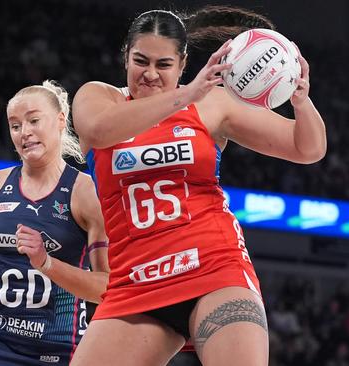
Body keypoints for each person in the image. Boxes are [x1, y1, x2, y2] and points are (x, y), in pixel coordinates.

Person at [71, 6, 326, 366]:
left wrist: (301, 100)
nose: (150, 74)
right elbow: (98, 131)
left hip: (214, 268)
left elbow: (308, 148)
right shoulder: (99, 97)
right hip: (136, 281)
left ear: (183, 63)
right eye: (141, 61)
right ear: (125, 56)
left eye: (164, 65)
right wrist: (185, 95)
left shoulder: (211, 102)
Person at [0, 81, 110, 365]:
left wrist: (47, 263)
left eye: (33, 121)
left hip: (57, 345)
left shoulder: (87, 192)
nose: (24, 132)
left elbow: (107, 288)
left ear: (59, 121)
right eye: (15, 125)